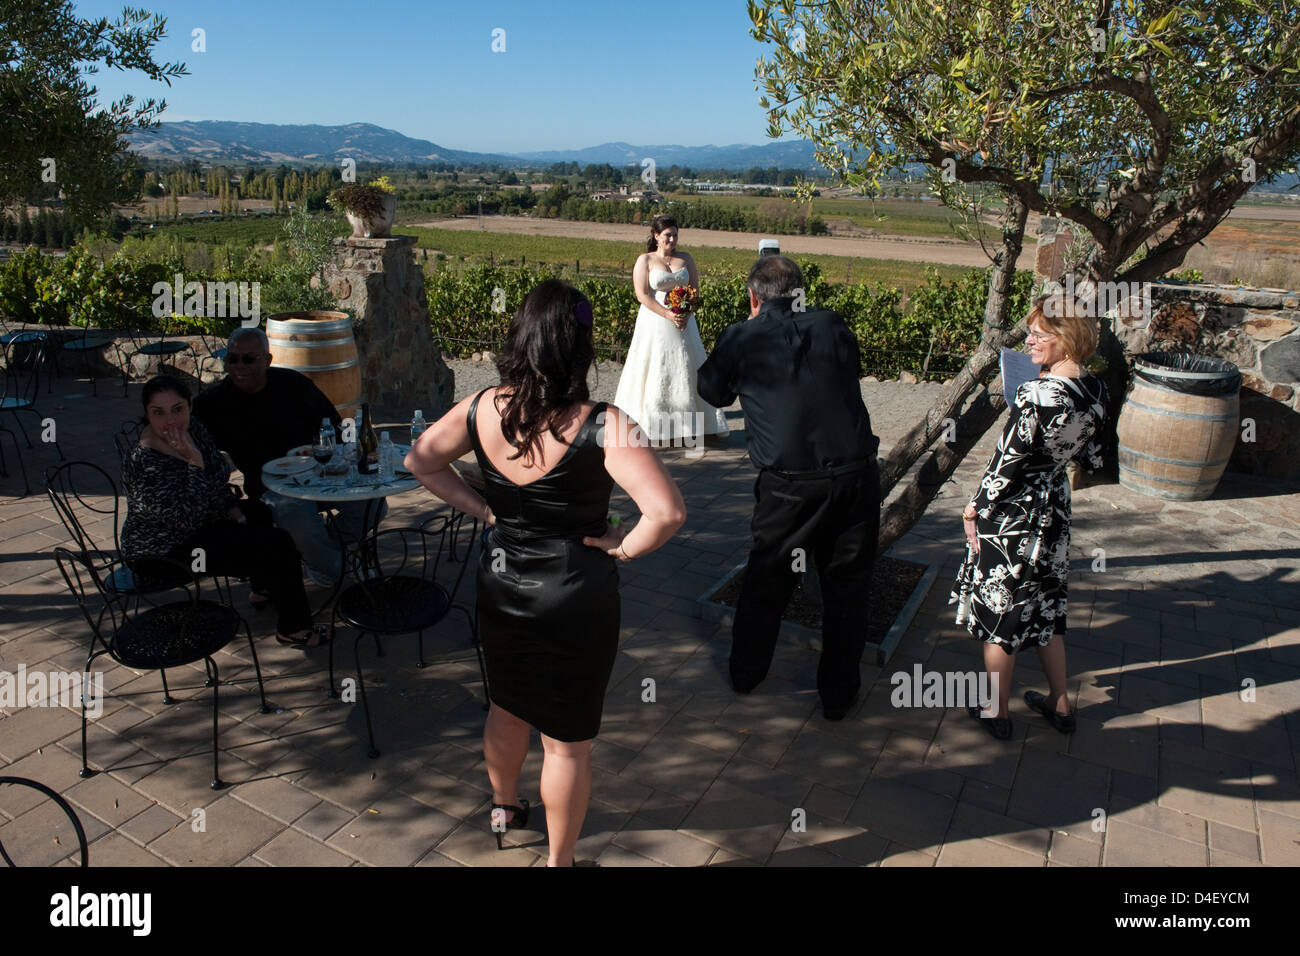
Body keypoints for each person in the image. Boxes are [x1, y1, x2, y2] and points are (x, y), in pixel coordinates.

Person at [405, 279, 686, 867]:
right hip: (574, 597)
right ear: (578, 347)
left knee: (506, 706)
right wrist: (622, 548)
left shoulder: (481, 406)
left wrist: (484, 508)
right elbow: (667, 513)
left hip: (502, 585)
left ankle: (504, 805)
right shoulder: (606, 424)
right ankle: (560, 863)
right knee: (565, 745)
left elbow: (420, 460)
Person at [697, 255, 881, 721]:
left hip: (790, 488)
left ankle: (747, 674)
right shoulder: (834, 324)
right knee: (848, 590)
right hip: (856, 478)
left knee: (766, 583)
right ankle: (839, 698)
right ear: (799, 291)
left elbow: (713, 392)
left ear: (753, 297)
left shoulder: (741, 336)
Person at [950, 295, 1108, 739]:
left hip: (1014, 514)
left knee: (1002, 611)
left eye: (1040, 334)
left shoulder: (1036, 393)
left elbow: (1006, 462)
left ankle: (996, 713)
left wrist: (973, 508)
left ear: (1067, 338)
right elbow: (1093, 457)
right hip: (1055, 506)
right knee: (1046, 608)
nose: (1030, 341)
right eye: (1030, 333)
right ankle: (1060, 704)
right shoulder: (1097, 390)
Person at [120, 376, 324, 646]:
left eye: (177, 409)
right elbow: (186, 517)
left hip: (201, 525)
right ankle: (295, 629)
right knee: (277, 544)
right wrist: (194, 462)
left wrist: (230, 506)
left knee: (259, 513)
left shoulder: (194, 428)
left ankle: (263, 587)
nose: (170, 421)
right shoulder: (144, 460)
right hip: (164, 555)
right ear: (147, 414)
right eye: (158, 412)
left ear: (190, 406)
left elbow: (218, 472)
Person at [192, 327, 375, 586]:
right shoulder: (213, 403)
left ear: (267, 360)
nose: (239, 367)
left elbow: (332, 425)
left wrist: (340, 457)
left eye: (248, 359)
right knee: (298, 518)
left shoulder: (294, 385)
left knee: (373, 503)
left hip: (317, 472)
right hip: (269, 485)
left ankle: (322, 558)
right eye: (232, 359)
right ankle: (340, 570)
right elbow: (193, 445)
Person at [613, 215, 729, 447]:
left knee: (688, 366)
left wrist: (686, 313)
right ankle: (651, 425)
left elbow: (694, 290)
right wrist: (667, 314)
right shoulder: (645, 260)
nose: (672, 239)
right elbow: (642, 295)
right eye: (668, 235)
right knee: (655, 365)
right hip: (654, 322)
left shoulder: (686, 259)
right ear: (656, 236)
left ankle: (696, 426)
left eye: (675, 234)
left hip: (685, 323)